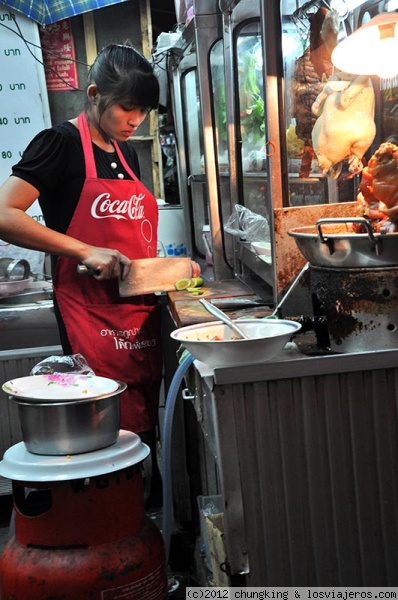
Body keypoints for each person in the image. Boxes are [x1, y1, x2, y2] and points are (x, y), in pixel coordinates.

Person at [0, 43, 200, 508]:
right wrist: (84, 249)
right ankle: (113, 524)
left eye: (143, 111)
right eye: (127, 108)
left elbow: (131, 239)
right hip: (92, 316)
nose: (136, 120)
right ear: (94, 95)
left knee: (143, 429)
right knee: (108, 432)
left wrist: (172, 269)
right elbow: (6, 214)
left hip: (137, 316)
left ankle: (145, 526)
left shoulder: (123, 151)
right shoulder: (62, 144)